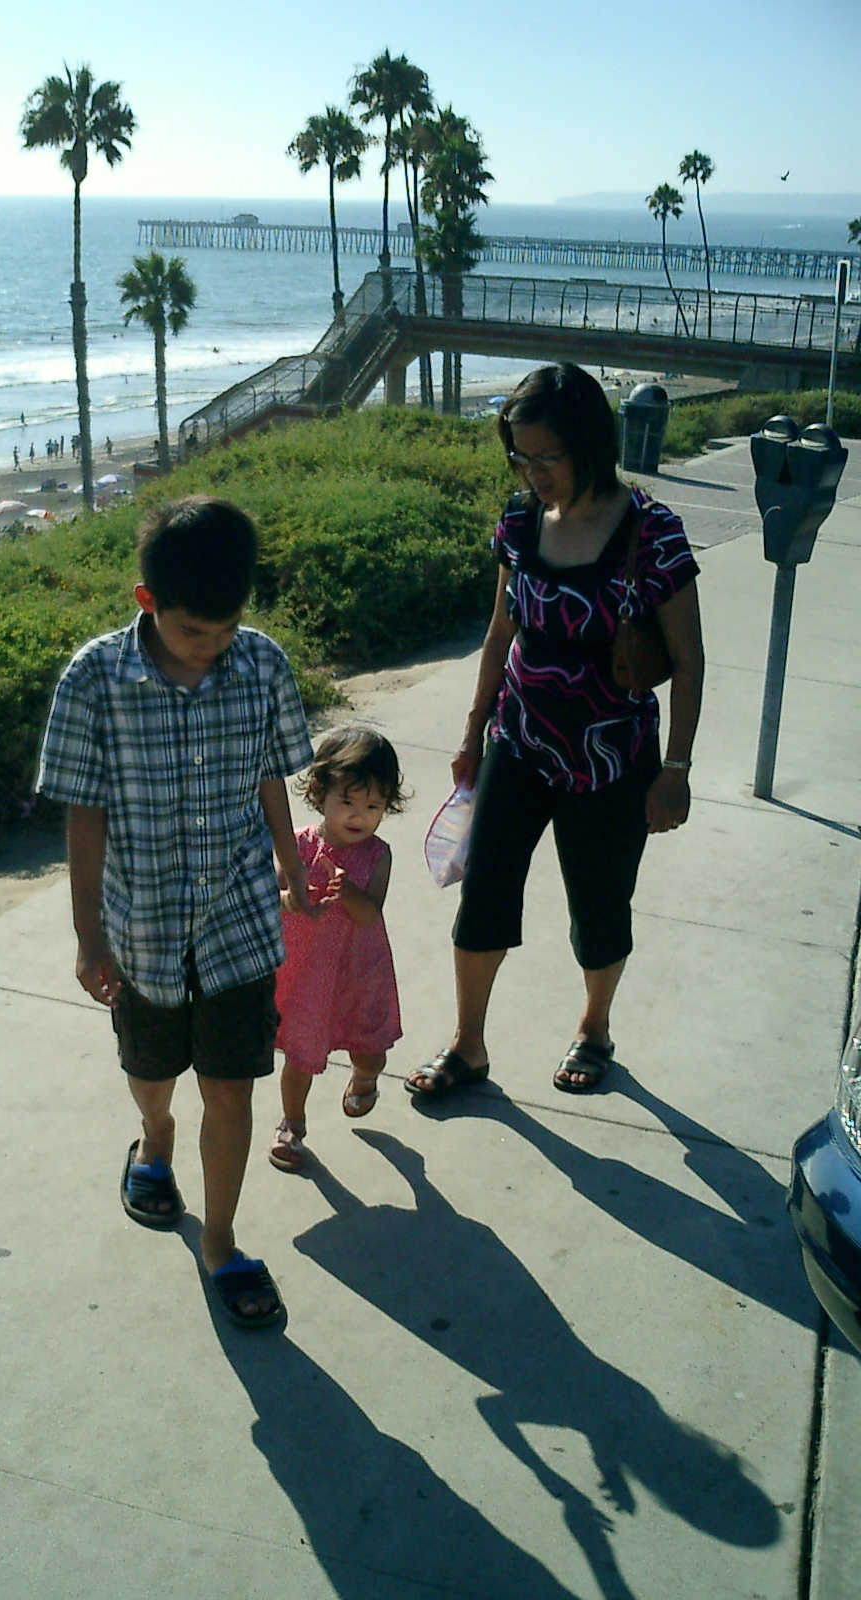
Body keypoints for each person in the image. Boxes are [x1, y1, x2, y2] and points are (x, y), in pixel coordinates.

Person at [36, 496, 314, 1328]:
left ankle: (220, 1243)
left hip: (239, 921)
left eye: (227, 629)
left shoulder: (261, 665)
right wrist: (89, 936)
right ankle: (153, 1138)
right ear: (147, 599)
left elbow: (270, 772)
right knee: (152, 1072)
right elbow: (84, 814)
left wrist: (291, 863)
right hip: (143, 926)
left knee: (231, 1089)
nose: (213, 645)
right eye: (195, 630)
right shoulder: (94, 680)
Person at [407, 363, 703, 1100]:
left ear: (589, 445)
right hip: (519, 742)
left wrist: (676, 769)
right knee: (485, 893)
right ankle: (468, 1044)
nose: (533, 473)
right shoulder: (518, 521)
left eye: (548, 457)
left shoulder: (652, 532)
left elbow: (690, 659)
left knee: (599, 906)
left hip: (612, 759)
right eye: (521, 456)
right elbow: (500, 630)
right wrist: (472, 733)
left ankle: (595, 1028)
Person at [269, 727, 406, 1174]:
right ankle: (292, 1124)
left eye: (373, 806)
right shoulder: (297, 845)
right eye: (348, 801)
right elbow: (269, 894)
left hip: (358, 975)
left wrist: (347, 892)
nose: (359, 816)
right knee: (301, 1054)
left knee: (369, 1049)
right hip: (306, 974)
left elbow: (370, 914)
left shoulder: (378, 856)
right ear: (319, 791)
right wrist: (290, 897)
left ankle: (365, 1077)